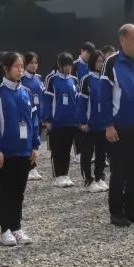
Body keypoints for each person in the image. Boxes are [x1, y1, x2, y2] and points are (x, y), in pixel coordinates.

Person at [100, 24, 134, 227]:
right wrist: (108, 125)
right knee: (120, 171)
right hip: (120, 126)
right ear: (122, 40)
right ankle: (117, 212)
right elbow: (104, 96)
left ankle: (132, 209)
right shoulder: (112, 63)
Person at [0, 51, 41, 246]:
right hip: (5, 153)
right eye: (16, 66)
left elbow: (34, 121)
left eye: (22, 66)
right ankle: (5, 229)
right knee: (5, 191)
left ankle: (16, 227)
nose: (20, 70)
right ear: (6, 68)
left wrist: (35, 145)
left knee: (19, 192)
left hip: (24, 151)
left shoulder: (27, 93)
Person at [43, 52, 80, 187]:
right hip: (56, 122)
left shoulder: (74, 80)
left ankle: (65, 174)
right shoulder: (51, 79)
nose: (68, 68)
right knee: (57, 150)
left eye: (70, 65)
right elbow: (47, 100)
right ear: (59, 65)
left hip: (71, 122)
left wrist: (79, 118)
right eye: (65, 65)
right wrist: (48, 119)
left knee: (67, 149)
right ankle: (58, 176)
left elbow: (77, 100)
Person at [77, 50, 109, 192]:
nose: (101, 64)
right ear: (92, 62)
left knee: (101, 153)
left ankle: (99, 178)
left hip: (103, 124)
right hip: (89, 125)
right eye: (98, 61)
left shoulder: (105, 79)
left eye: (102, 61)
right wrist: (83, 122)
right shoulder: (86, 79)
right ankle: (88, 180)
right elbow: (81, 103)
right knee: (87, 154)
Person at [20, 52, 45, 181]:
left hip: (38, 116)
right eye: (31, 63)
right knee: (26, 142)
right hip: (25, 116)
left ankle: (32, 166)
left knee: (35, 142)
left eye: (36, 63)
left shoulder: (39, 78)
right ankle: (27, 168)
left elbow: (43, 98)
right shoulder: (21, 79)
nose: (34, 65)